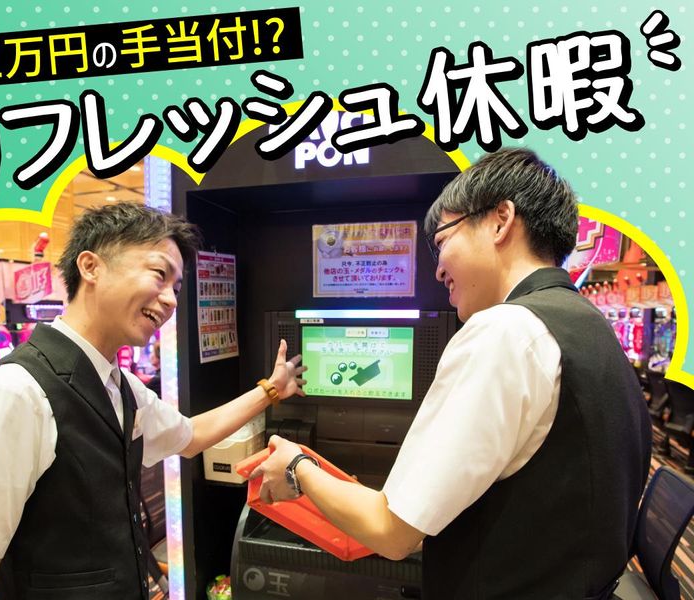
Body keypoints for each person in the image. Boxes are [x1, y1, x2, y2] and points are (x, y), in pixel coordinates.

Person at [252, 148, 652, 599]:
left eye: (442, 240)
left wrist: (297, 467)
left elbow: (391, 531)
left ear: (501, 220)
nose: (439, 269)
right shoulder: (587, 324)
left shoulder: (504, 331)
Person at [0, 201, 306, 600]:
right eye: (159, 275)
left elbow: (191, 435)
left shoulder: (121, 386)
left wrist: (271, 389)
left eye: (176, 288)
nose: (171, 301)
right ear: (90, 267)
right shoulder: (13, 392)